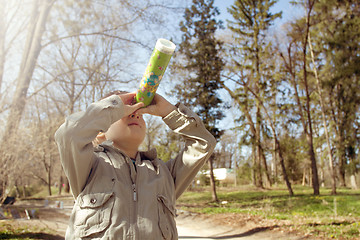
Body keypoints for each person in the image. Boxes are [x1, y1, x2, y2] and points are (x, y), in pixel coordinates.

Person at [55, 90, 216, 239]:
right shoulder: (90, 165)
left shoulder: (164, 173)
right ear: (101, 131)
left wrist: (169, 112)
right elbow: (68, 136)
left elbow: (203, 144)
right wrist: (114, 106)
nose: (135, 114)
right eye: (127, 111)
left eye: (139, 112)